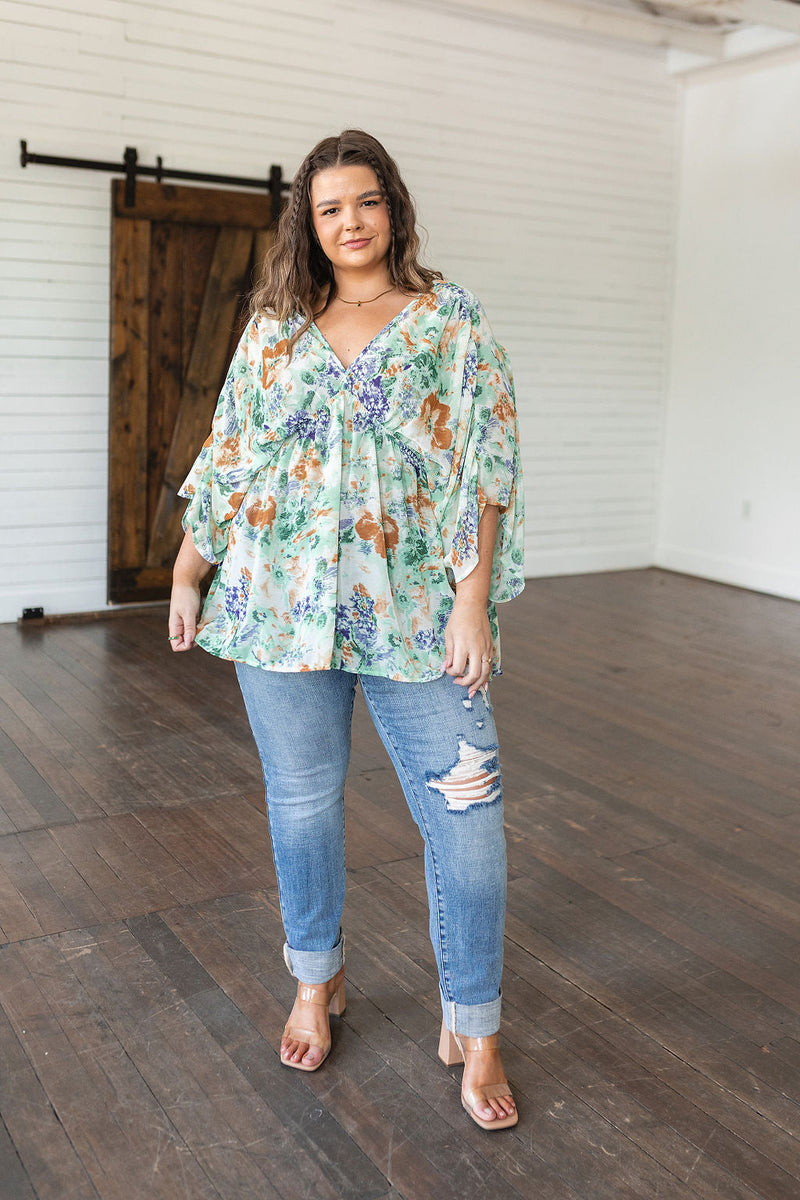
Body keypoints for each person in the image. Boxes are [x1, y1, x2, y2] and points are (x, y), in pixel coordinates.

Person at [169, 130, 524, 1131]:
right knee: (301, 805)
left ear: (392, 208)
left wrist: (470, 600)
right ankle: (314, 980)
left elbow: (483, 464)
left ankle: (474, 1023)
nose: (350, 222)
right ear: (308, 224)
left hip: (419, 611)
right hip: (277, 605)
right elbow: (231, 455)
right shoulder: (276, 327)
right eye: (329, 208)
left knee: (468, 815)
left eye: (366, 201)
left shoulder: (448, 319)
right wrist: (190, 571)